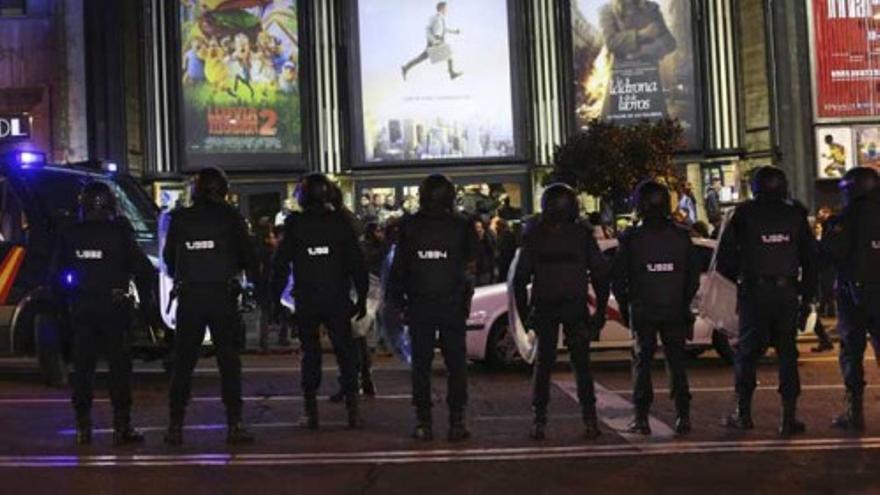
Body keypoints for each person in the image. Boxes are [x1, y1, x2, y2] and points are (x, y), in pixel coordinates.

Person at [48, 182, 155, 446]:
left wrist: (64, 308)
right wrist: (147, 310)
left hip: (82, 308)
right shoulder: (119, 232)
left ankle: (83, 428)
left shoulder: (70, 233)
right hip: (114, 308)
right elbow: (144, 270)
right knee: (119, 368)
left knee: (83, 369)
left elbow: (54, 277)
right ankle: (122, 427)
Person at [717, 166, 817, 436]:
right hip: (786, 292)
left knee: (747, 354)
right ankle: (788, 417)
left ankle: (744, 413)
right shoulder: (795, 214)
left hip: (755, 292)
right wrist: (807, 297)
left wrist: (743, 276)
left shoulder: (743, 214)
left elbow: (724, 259)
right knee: (787, 354)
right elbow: (810, 260)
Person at [163, 167, 258, 445]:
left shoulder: (180, 218)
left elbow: (169, 259)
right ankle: (235, 424)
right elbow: (248, 257)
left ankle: (175, 425)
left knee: (183, 363)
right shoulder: (231, 218)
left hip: (191, 297)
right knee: (229, 362)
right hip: (222, 297)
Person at [271, 174, 369, 430]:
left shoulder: (296, 224)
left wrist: (274, 299)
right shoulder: (340, 222)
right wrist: (361, 295)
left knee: (310, 354)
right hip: (336, 296)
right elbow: (357, 262)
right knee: (345, 353)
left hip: (307, 298)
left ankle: (311, 411)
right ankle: (353, 411)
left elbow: (280, 263)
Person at [513, 184, 610, 441]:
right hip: (574, 305)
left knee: (543, 365)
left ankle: (539, 420)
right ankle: (589, 420)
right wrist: (599, 311)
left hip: (545, 305)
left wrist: (525, 316)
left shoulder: (534, 235)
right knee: (582, 365)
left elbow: (519, 278)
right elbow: (600, 273)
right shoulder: (581, 234)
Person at [388, 174, 479, 442]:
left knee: (421, 366)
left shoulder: (409, 226)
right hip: (451, 304)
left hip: (420, 304)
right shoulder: (461, 226)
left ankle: (424, 421)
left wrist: (398, 303)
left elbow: (399, 268)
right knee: (456, 364)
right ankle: (456, 420)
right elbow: (474, 264)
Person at [611, 181, 700, 435]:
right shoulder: (681, 236)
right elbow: (692, 276)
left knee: (642, 362)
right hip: (673, 307)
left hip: (644, 308)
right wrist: (683, 301)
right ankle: (683, 417)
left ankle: (641, 418)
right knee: (677, 362)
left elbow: (618, 277)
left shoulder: (631, 238)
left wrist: (626, 303)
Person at [821, 167, 880, 431]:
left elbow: (828, 255)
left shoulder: (843, 220)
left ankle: (854, 412)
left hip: (853, 294)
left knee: (851, 353)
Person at [401, 2, 462, 81]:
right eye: (446, 8)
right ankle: (451, 74)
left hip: (439, 40)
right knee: (449, 55)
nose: (447, 10)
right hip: (435, 41)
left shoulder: (441, 18)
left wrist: (454, 31)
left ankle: (406, 67)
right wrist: (434, 41)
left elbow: (444, 29)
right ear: (442, 8)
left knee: (422, 58)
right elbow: (427, 30)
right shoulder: (434, 17)